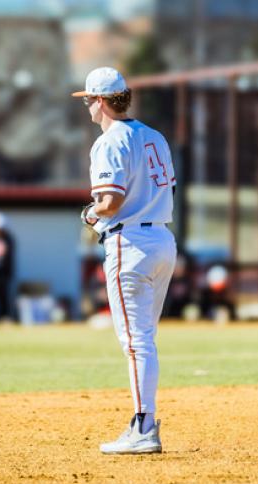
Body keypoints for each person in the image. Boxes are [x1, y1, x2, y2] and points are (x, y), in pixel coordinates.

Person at [72, 67, 177, 454]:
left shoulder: (109, 141)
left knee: (136, 343)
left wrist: (89, 215)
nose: (86, 105)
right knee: (144, 339)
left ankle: (144, 427)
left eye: (88, 99)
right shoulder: (155, 136)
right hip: (162, 239)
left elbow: (111, 201)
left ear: (101, 101)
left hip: (129, 242)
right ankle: (143, 421)